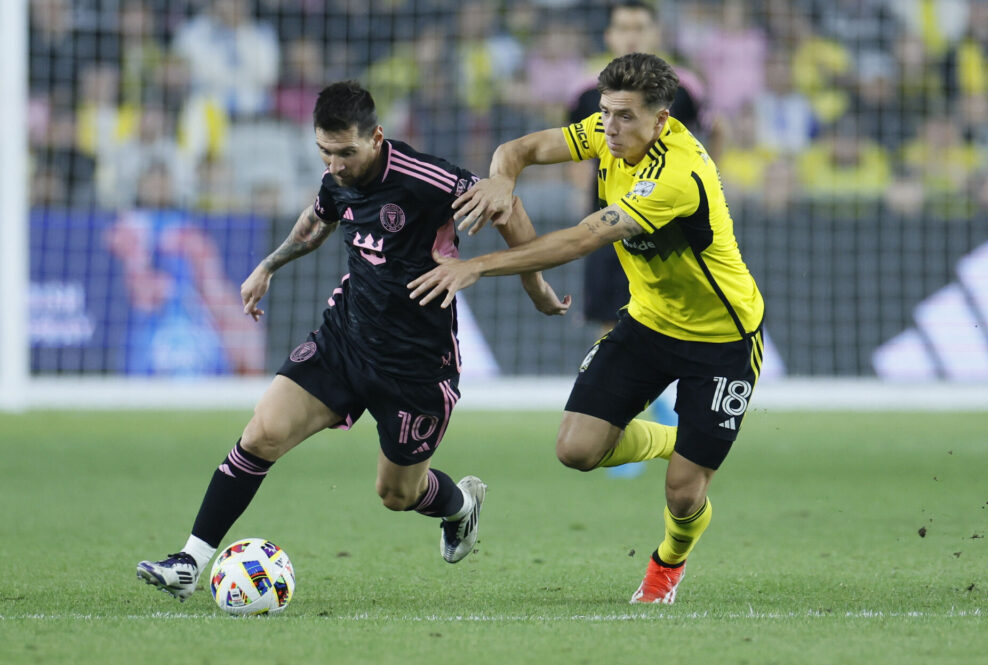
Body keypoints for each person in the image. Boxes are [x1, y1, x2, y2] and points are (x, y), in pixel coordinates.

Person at [136, 81, 569, 601]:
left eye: (346, 152)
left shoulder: (427, 179)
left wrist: (535, 284)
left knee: (397, 493)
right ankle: (190, 561)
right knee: (260, 435)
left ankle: (460, 507)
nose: (336, 164)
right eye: (325, 151)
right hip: (345, 340)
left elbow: (510, 209)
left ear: (377, 137)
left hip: (416, 365)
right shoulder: (335, 178)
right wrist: (268, 265)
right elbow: (316, 221)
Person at [409, 54, 765, 605]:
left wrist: (476, 265)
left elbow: (579, 239)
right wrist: (502, 180)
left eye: (625, 116)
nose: (610, 127)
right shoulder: (603, 133)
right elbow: (519, 149)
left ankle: (666, 565)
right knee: (575, 450)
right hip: (648, 323)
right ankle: (685, 441)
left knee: (683, 492)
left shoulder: (678, 176)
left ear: (662, 121)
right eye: (605, 113)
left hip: (723, 339)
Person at [567, 0, 709, 338]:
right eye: (624, 28)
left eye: (640, 28)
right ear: (609, 36)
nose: (632, 37)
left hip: (670, 225)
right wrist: (584, 191)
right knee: (612, 326)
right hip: (611, 223)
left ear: (656, 33)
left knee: (678, 326)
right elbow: (573, 153)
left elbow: (711, 135)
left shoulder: (685, 88)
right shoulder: (587, 93)